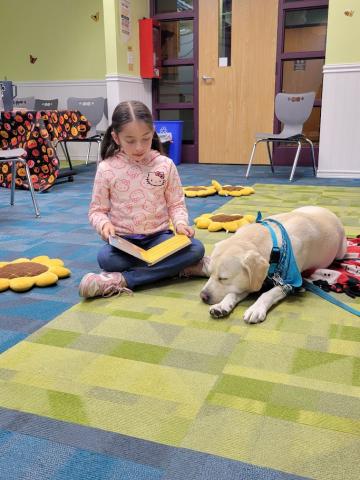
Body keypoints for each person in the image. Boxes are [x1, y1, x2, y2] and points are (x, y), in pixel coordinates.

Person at [79, 100, 209, 298]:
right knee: (106, 259)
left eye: (146, 139)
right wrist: (103, 225)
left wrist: (181, 224)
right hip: (124, 243)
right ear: (116, 137)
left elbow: (175, 204)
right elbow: (97, 211)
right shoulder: (106, 168)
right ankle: (178, 268)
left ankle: (121, 280)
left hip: (159, 238)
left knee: (196, 248)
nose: (139, 147)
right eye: (130, 140)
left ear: (153, 133)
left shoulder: (165, 165)